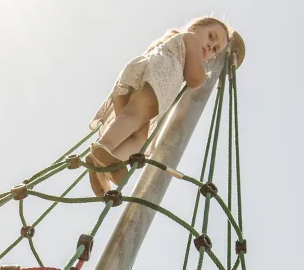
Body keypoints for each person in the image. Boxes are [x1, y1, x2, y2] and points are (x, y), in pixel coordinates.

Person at [87, 17, 245, 195]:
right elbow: (195, 79)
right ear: (195, 28)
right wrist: (204, 72)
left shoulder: (176, 46)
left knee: (139, 139)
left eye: (215, 49)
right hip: (158, 75)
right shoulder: (190, 39)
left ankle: (105, 163)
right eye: (211, 37)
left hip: (143, 75)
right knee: (134, 115)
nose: (210, 47)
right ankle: (104, 146)